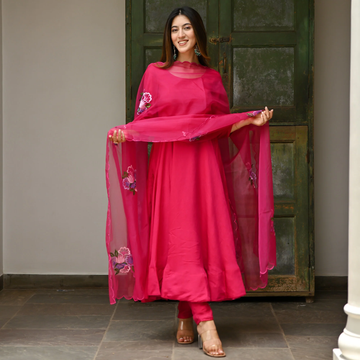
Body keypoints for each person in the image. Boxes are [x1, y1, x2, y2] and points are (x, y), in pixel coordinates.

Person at [107, 6, 276, 358]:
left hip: (205, 167)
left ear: (197, 33)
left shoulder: (211, 79)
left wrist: (249, 123)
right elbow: (146, 122)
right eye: (173, 30)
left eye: (186, 28)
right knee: (180, 236)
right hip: (171, 167)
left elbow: (218, 126)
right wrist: (127, 134)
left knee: (200, 235)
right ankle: (205, 319)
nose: (180, 35)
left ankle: (184, 311)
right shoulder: (155, 74)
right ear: (168, 37)